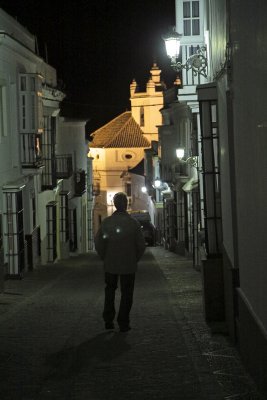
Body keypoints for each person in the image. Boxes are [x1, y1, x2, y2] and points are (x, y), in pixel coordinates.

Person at [95, 192, 146, 332]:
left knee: (110, 291)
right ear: (126, 204)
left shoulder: (107, 223)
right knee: (127, 293)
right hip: (128, 264)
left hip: (110, 263)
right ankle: (123, 322)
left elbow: (99, 242)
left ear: (115, 204)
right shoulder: (133, 224)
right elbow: (141, 245)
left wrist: (104, 256)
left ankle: (108, 320)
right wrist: (134, 258)